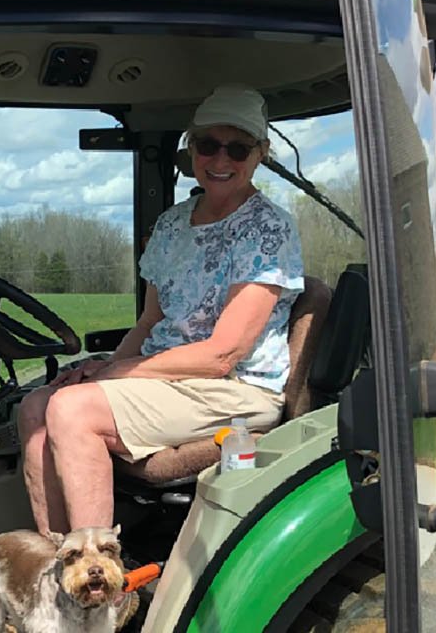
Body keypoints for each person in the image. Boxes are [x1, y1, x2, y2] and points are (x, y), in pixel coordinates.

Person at [17, 84, 304, 535]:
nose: (221, 159)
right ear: (192, 149)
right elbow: (151, 321)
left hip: (233, 390)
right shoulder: (172, 223)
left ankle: (96, 583)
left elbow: (222, 355)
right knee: (36, 406)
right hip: (168, 380)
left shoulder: (268, 230)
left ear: (261, 153)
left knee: (72, 412)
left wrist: (119, 374)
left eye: (238, 147)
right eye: (208, 145)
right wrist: (105, 366)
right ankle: (60, 558)